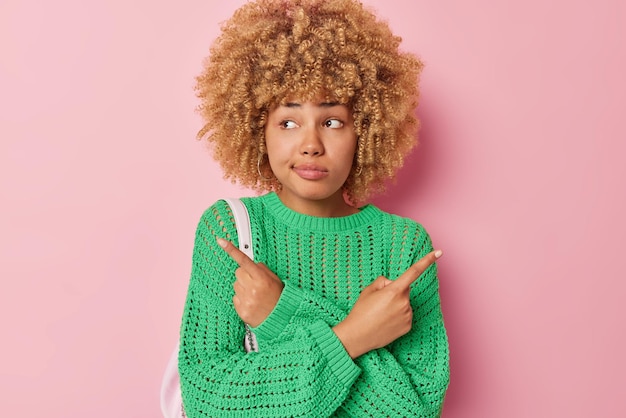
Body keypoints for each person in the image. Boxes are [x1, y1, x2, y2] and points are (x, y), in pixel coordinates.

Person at [178, 0, 450, 416]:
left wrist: (282, 314)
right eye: (288, 122)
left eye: (332, 121)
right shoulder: (229, 231)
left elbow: (415, 411)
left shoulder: (404, 246)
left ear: (367, 128)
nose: (310, 144)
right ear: (257, 128)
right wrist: (356, 334)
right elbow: (207, 403)